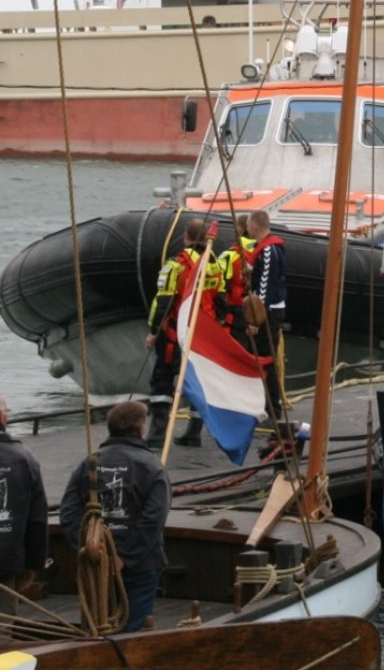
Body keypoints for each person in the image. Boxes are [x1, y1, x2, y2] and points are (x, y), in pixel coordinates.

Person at [59, 401, 170, 634]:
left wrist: (90, 550)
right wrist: (125, 558)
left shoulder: (88, 465)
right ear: (141, 428)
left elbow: (69, 513)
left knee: (97, 627)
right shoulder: (152, 467)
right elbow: (153, 518)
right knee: (132, 631)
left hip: (96, 561)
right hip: (140, 565)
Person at [145, 218, 225, 449]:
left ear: (186, 237)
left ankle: (158, 433)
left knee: (162, 379)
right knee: (197, 380)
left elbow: (163, 300)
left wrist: (153, 331)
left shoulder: (177, 264)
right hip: (203, 334)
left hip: (175, 332)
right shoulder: (215, 265)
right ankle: (194, 432)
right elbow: (221, 301)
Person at [0, 393, 48, 639]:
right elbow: (37, 520)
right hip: (6, 562)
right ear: (3, 418)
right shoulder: (24, 459)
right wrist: (33, 565)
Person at [247, 210, 287, 425]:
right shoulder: (262, 249)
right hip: (268, 310)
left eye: (249, 225)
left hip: (268, 312)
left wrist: (255, 319)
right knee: (262, 359)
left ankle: (273, 410)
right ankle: (265, 406)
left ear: (255, 226)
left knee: (266, 360)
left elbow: (265, 286)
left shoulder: (269, 250)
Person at [218, 213, 256, 349]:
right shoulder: (262, 251)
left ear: (239, 229)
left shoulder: (230, 255)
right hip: (257, 309)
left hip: (236, 310)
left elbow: (220, 285)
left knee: (234, 348)